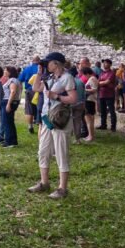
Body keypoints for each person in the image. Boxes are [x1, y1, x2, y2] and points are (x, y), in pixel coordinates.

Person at [28, 52, 78, 199]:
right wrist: (39, 73)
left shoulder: (67, 78)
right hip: (47, 119)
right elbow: (36, 88)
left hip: (59, 120)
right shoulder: (49, 77)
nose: (46, 65)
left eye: (47, 63)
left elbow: (73, 99)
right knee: (43, 151)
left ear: (56, 63)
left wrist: (56, 96)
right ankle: (44, 182)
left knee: (61, 153)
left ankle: (63, 188)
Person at [0, 66, 22, 147]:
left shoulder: (12, 80)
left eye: (5, 70)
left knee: (7, 122)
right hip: (9, 101)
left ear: (10, 72)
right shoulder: (13, 80)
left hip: (8, 101)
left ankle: (9, 141)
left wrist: (8, 104)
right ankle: (12, 140)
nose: (4, 72)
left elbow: (13, 92)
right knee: (9, 121)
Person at [19, 55, 40, 134]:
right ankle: (40, 125)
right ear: (39, 61)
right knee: (40, 108)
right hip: (39, 91)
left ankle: (30, 126)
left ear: (32, 60)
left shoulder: (27, 69)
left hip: (29, 90)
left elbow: (20, 80)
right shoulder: (41, 68)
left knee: (29, 109)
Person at [97, 58, 117, 131]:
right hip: (102, 93)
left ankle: (113, 126)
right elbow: (98, 82)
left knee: (111, 110)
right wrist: (102, 83)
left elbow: (107, 82)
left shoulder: (111, 73)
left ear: (109, 64)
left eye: (106, 63)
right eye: (104, 63)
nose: (104, 64)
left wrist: (101, 83)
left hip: (109, 94)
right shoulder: (102, 73)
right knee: (103, 111)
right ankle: (103, 124)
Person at [82, 66, 98, 142]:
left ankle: (91, 136)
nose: (84, 76)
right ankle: (90, 135)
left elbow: (94, 89)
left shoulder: (92, 79)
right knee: (90, 119)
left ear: (87, 73)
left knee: (88, 119)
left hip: (89, 100)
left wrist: (84, 90)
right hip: (89, 100)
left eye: (84, 74)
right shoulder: (92, 79)